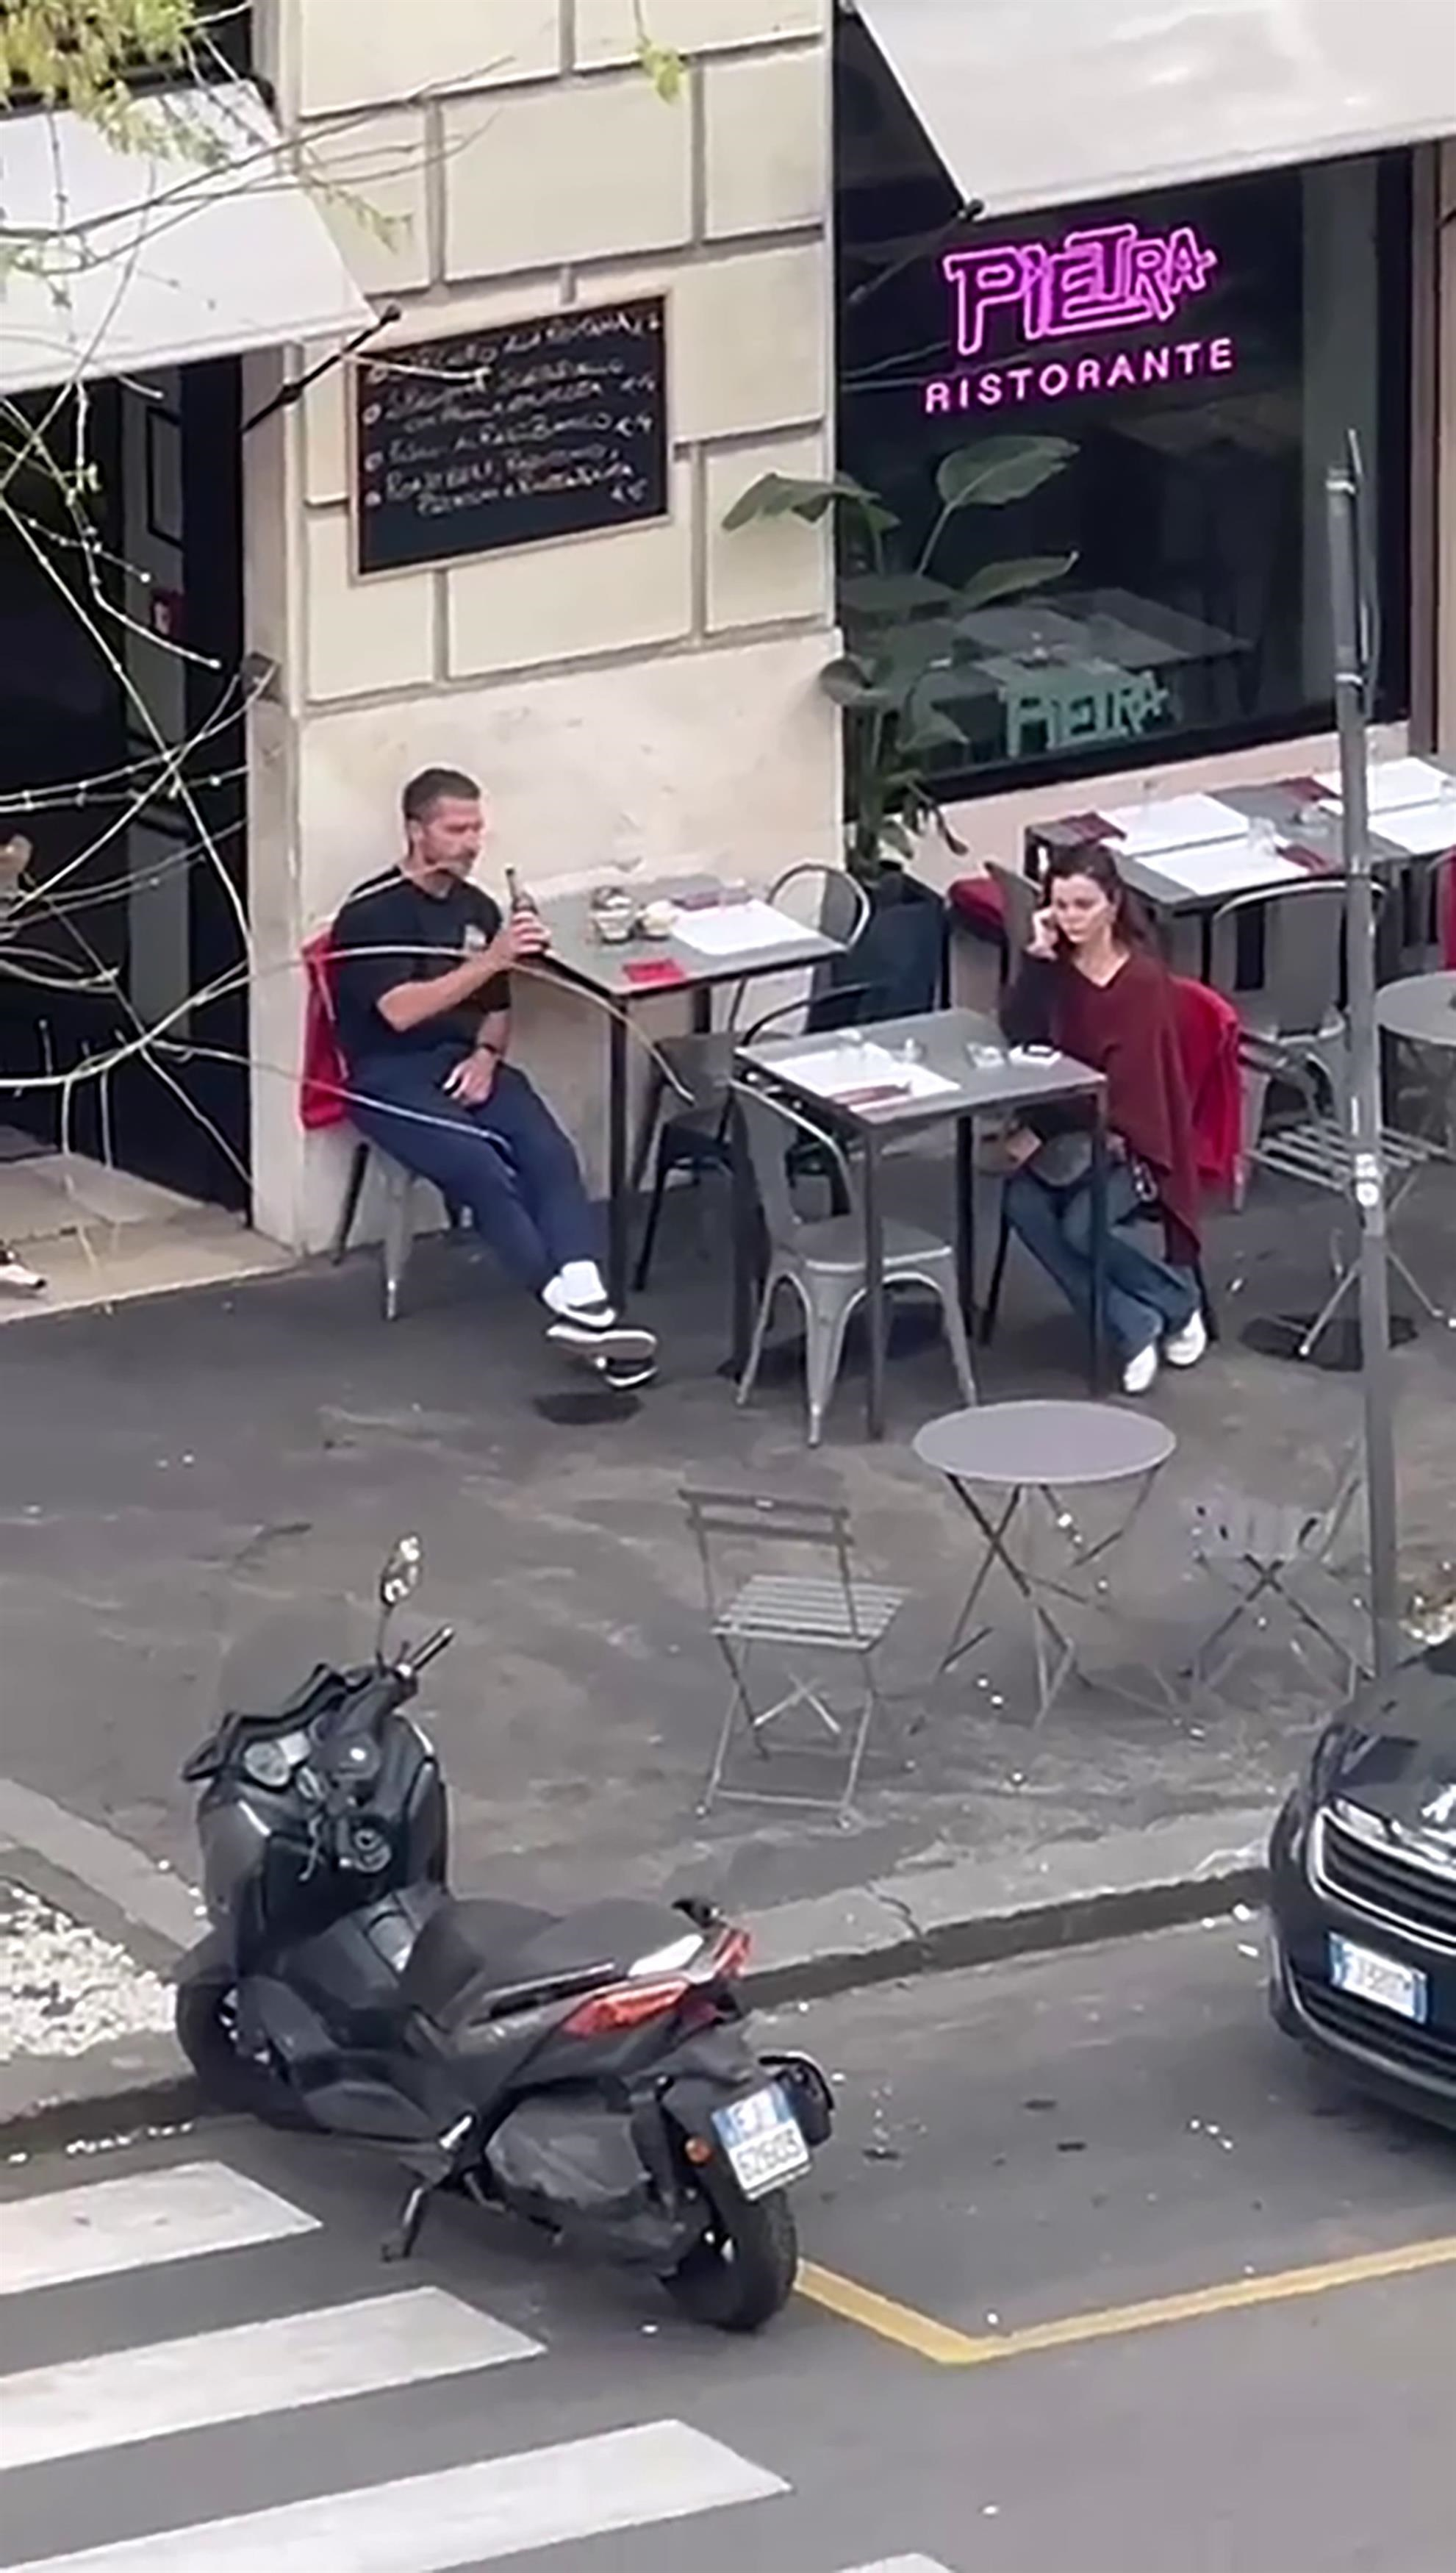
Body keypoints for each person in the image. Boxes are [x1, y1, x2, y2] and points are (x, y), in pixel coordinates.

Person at [331, 767, 656, 1385]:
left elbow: (497, 1010)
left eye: (477, 829)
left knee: (548, 1151)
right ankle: (566, 1307)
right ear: (416, 831)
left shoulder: (478, 908)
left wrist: (484, 1055)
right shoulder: (372, 912)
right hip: (387, 1073)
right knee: (480, 1166)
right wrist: (492, 958)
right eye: (456, 830)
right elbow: (398, 1012)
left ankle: (586, 1294)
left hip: (463, 1061)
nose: (471, 843)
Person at [997, 843, 1207, 1398]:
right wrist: (1037, 959)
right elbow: (1020, 1034)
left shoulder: (1140, 983)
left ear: (1112, 905)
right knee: (1021, 1203)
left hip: (1131, 1143)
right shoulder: (1058, 969)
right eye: (1060, 905)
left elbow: (1128, 1095)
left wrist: (1039, 1130)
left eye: (1082, 905)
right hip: (1071, 1135)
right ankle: (1131, 1322)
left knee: (1079, 1225)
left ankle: (1177, 1304)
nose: (1070, 919)